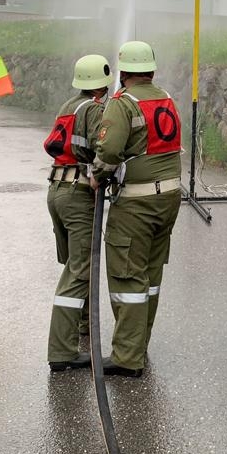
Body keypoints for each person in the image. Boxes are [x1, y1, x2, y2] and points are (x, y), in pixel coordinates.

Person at [91, 41, 182, 377]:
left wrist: (97, 174)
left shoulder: (123, 103)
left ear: (124, 72)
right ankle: (139, 343)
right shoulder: (168, 99)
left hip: (136, 203)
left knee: (127, 276)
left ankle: (128, 357)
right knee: (151, 275)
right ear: (152, 70)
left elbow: (110, 151)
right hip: (169, 198)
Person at [46, 55, 112, 372]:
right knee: (78, 271)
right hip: (77, 194)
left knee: (74, 262)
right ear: (101, 86)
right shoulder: (96, 109)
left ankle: (83, 326)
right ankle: (62, 352)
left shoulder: (68, 105)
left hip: (56, 189)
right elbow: (105, 150)